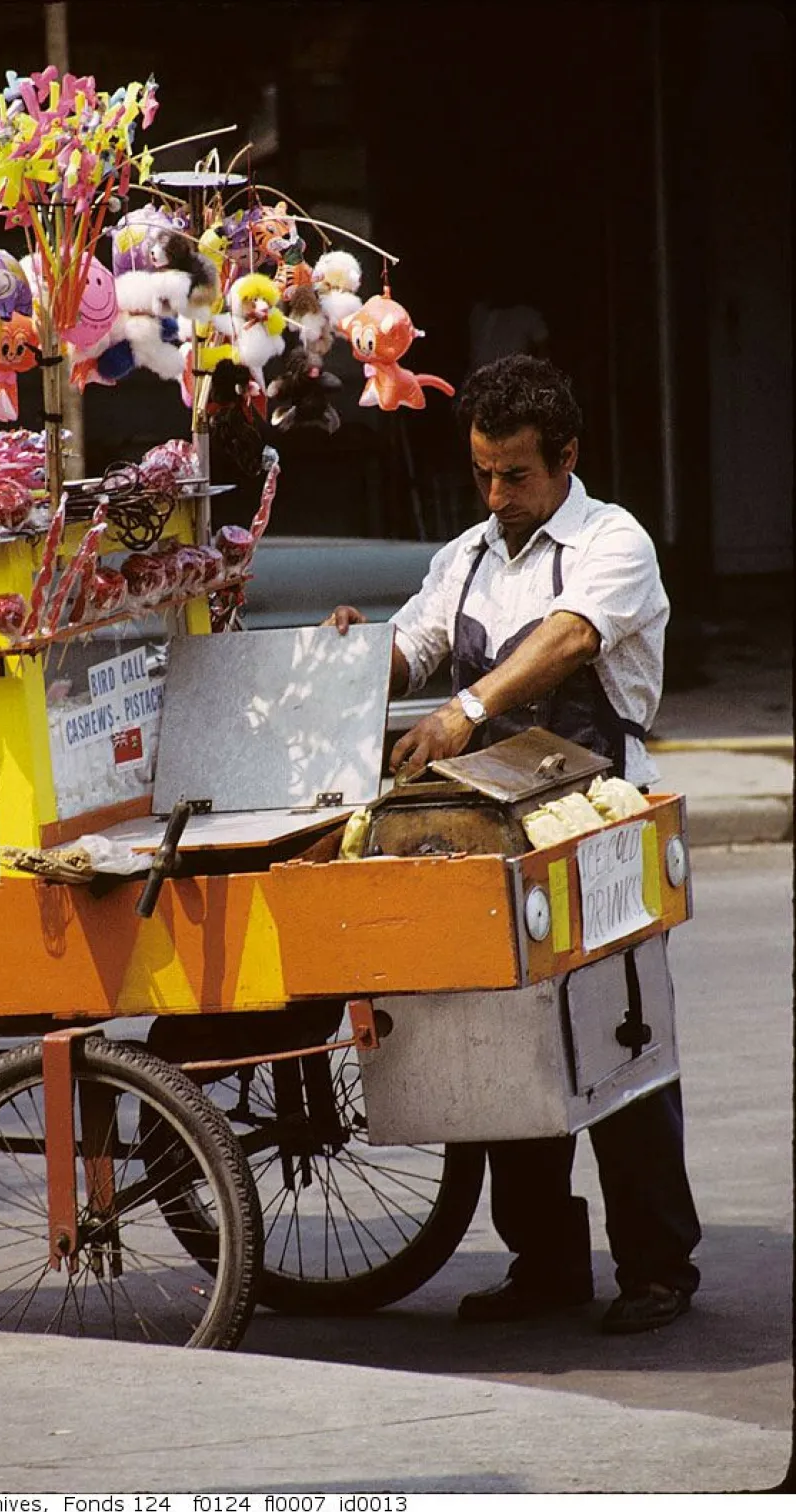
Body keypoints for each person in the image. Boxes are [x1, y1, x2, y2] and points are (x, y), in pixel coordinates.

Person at [324, 354, 701, 1334]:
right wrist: (350, 657)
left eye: (516, 475)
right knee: (506, 1044)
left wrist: (463, 711)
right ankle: (546, 1264)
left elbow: (571, 641)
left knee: (619, 1043)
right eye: (483, 474)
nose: (496, 494)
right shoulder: (469, 556)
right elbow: (412, 642)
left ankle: (658, 1266)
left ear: (566, 458)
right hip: (495, 827)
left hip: (598, 816)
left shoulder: (613, 542)